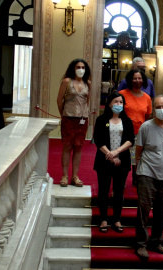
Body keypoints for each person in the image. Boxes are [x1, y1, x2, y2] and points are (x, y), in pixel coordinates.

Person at [134, 95, 163, 260]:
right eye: (158, 106)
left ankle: (156, 241)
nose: (161, 109)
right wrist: (138, 170)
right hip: (147, 174)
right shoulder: (146, 127)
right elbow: (138, 150)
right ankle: (141, 244)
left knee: (161, 213)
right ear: (153, 109)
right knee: (143, 212)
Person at [93, 92, 134, 233]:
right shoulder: (101, 119)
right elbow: (98, 139)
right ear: (110, 103)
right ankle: (103, 218)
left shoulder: (127, 121)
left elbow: (130, 140)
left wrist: (116, 153)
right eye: (116, 102)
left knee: (118, 191)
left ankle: (117, 219)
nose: (118, 105)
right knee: (103, 190)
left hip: (122, 161)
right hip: (104, 160)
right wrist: (110, 155)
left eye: (121, 102)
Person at [56, 58, 91, 187]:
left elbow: (87, 101)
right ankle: (65, 175)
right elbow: (59, 100)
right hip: (68, 117)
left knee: (78, 147)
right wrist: (63, 114)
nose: (80, 69)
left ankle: (75, 176)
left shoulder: (88, 83)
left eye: (83, 67)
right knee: (67, 146)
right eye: (78, 67)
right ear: (73, 68)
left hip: (82, 119)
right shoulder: (67, 81)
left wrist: (84, 113)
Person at [118, 69, 152, 186]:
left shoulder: (147, 97)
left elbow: (148, 116)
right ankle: (120, 180)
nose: (137, 81)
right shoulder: (122, 94)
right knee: (123, 157)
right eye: (134, 78)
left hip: (139, 132)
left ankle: (136, 179)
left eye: (139, 78)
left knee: (136, 158)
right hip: (122, 132)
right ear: (130, 80)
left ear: (143, 80)